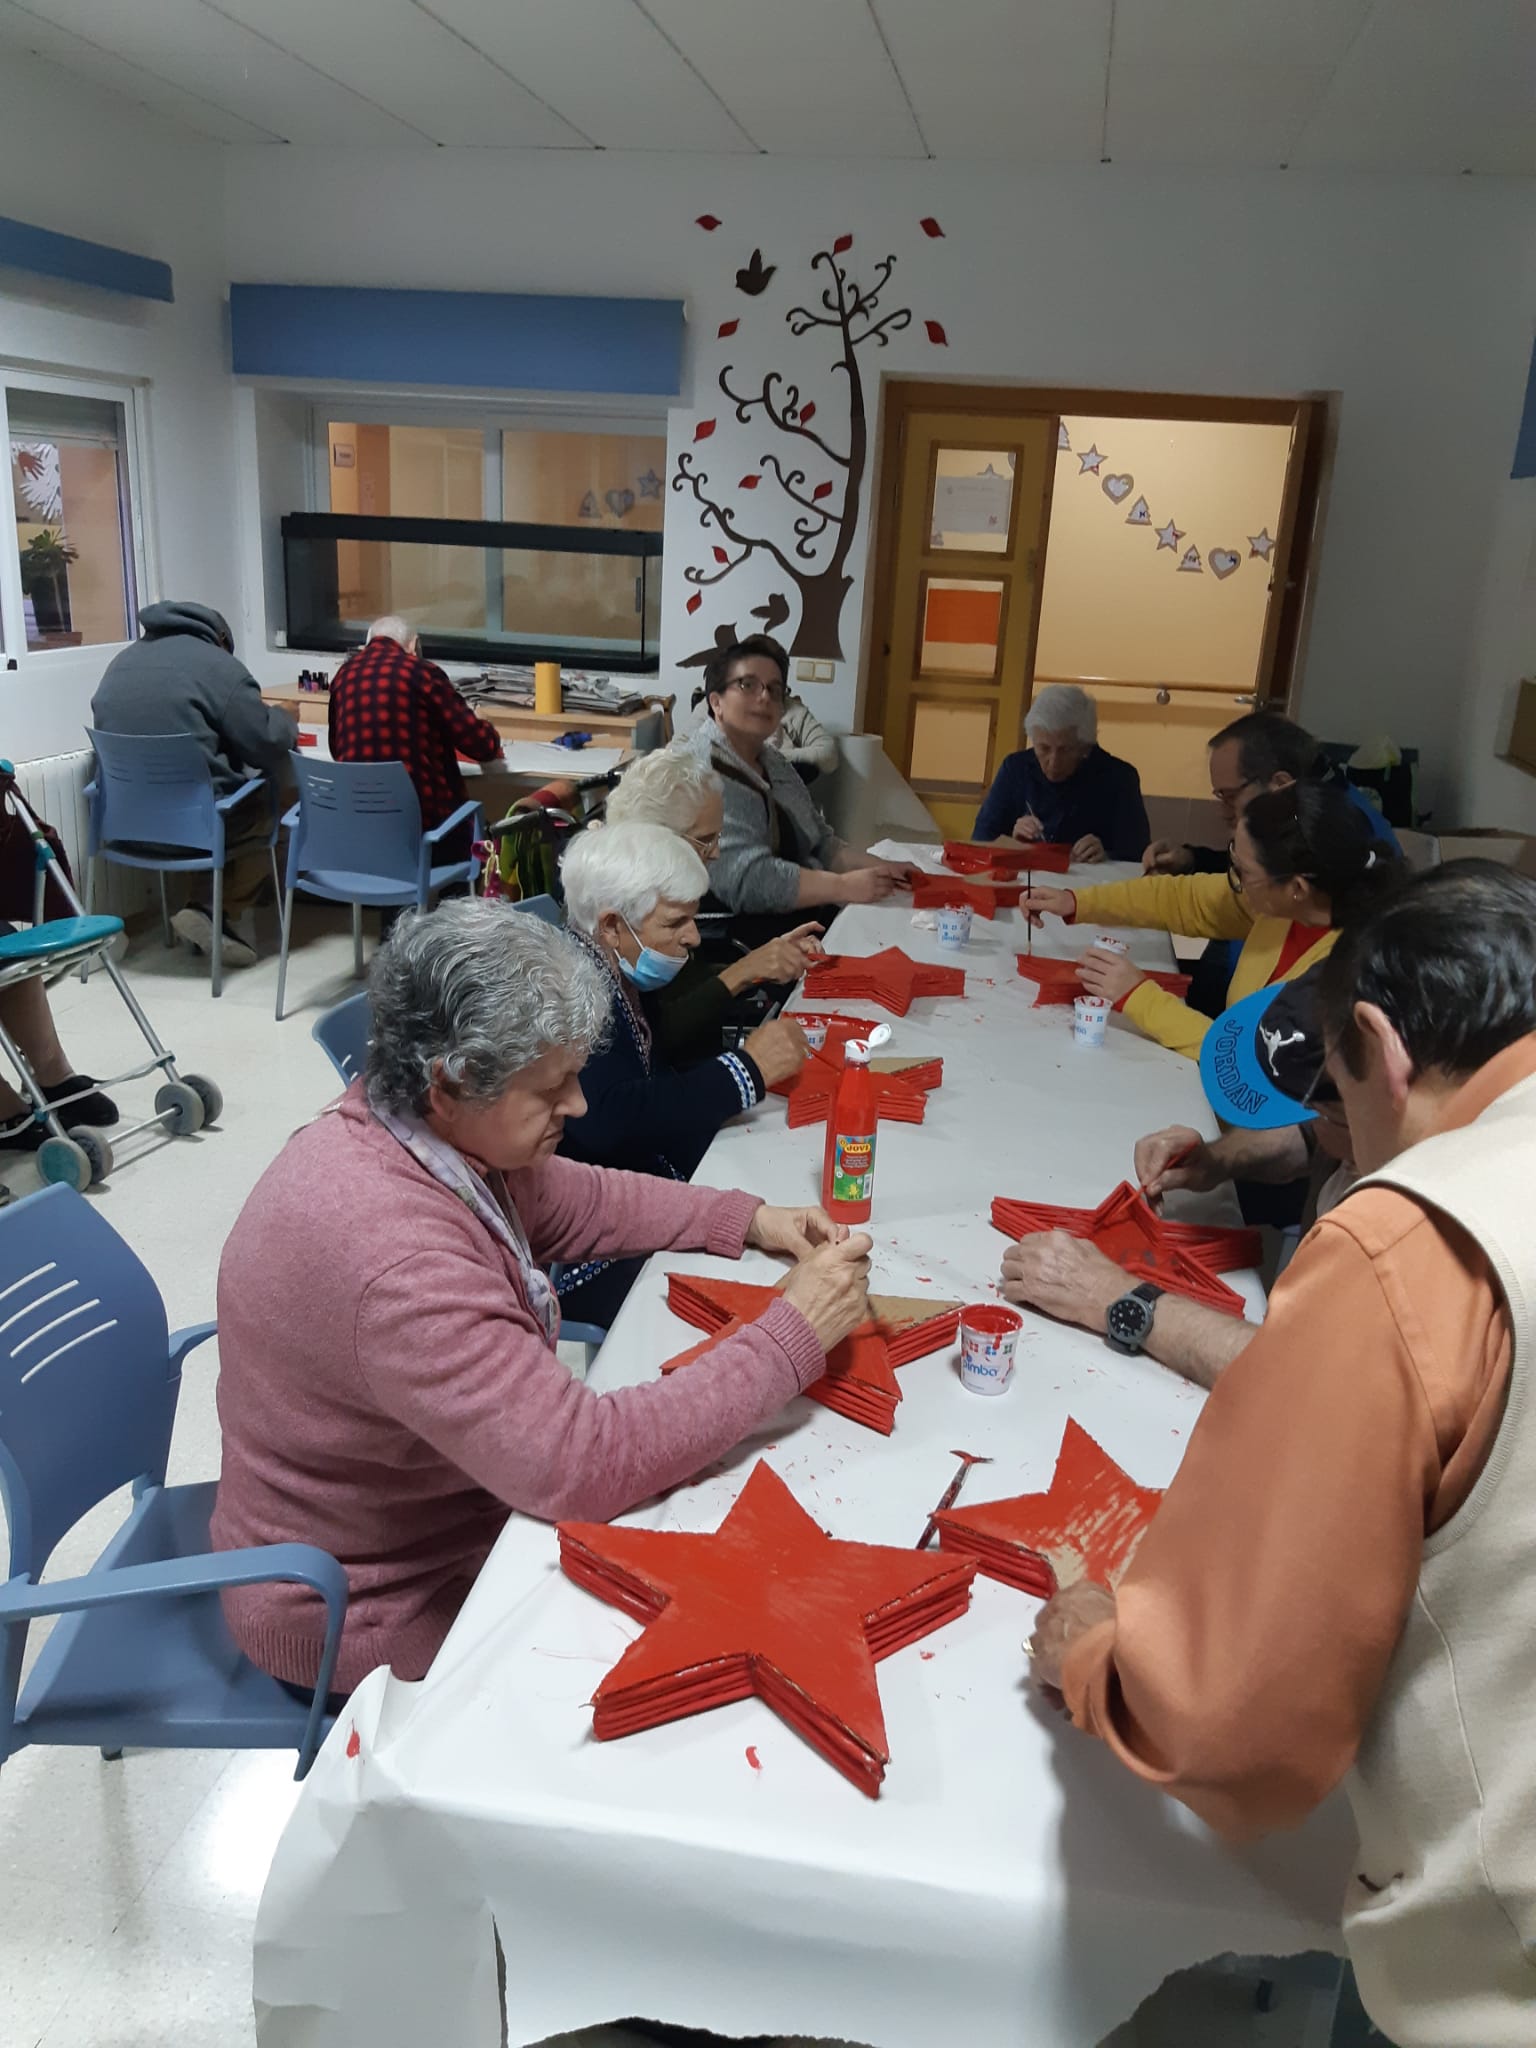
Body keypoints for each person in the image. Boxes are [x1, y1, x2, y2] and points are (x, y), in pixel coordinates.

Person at [1027, 859, 1536, 2048]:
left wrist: (1101, 1652)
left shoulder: (1416, 1238)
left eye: (1339, 1104)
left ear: (1376, 1041)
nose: (1340, 1142)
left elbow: (1233, 1728)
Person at [211, 899, 871, 1696]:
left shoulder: (420, 1129)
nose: (581, 1107)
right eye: (553, 1088)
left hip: (445, 1518)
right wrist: (790, 1334)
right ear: (449, 1083)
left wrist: (744, 1217)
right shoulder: (395, 1260)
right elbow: (579, 1463)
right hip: (368, 1602)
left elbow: (567, 1199)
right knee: (705, 1657)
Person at [1000, 967, 1355, 1390]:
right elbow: (1318, 1136)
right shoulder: (1370, 1119)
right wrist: (1217, 1160)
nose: (1316, 1121)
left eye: (1319, 1107)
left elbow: (1302, 1383)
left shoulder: (1418, 1239)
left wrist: (1114, 1296)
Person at [557, 823, 810, 1326]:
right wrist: (746, 1070)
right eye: (676, 922)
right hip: (591, 1231)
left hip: (632, 1175)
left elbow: (653, 1051)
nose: (693, 936)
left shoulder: (612, 965)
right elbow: (604, 1120)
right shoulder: (572, 994)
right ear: (611, 925)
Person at [1021, 780, 1400, 1060]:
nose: (1234, 880)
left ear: (1297, 886)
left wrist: (1138, 996)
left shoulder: (1344, 972)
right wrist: (1076, 902)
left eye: (1243, 871)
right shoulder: (1287, 906)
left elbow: (1248, 1060)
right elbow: (1182, 900)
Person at [92, 600, 297, 967]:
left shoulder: (119, 664)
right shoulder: (219, 668)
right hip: (198, 826)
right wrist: (285, 718)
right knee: (276, 796)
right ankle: (210, 910)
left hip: (125, 826)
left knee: (210, 798)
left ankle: (204, 912)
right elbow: (265, 742)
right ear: (219, 637)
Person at [604, 746, 825, 1060]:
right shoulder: (617, 910)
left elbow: (686, 987)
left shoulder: (666, 895)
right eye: (706, 840)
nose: (717, 852)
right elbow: (653, 1038)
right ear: (659, 837)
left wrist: (765, 963)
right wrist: (745, 971)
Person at [687, 636, 911, 925]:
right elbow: (748, 881)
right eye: (748, 685)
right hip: (748, 933)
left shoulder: (773, 760)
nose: (765, 696)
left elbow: (820, 842)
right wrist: (844, 886)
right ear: (716, 702)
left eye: (774, 689)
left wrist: (884, 869)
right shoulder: (703, 770)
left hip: (802, 914)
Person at [1143, 710, 1401, 875]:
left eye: (1230, 797)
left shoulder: (1334, 832)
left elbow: (1248, 889)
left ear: (1280, 784)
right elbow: (1254, 868)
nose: (1223, 812)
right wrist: (1191, 859)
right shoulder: (1313, 801)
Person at [328, 614, 503, 857]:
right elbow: (479, 746)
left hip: (360, 839)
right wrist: (486, 727)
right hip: (425, 838)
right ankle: (456, 894)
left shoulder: (342, 677)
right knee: (480, 831)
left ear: (367, 643)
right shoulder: (423, 673)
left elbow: (337, 750)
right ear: (414, 645)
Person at [972, 683, 1149, 864]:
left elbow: (1138, 856)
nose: (1053, 761)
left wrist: (1107, 856)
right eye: (1044, 748)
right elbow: (980, 840)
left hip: (1090, 888)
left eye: (1065, 750)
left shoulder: (1119, 778)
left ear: (1085, 746)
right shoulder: (1016, 769)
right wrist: (1010, 841)